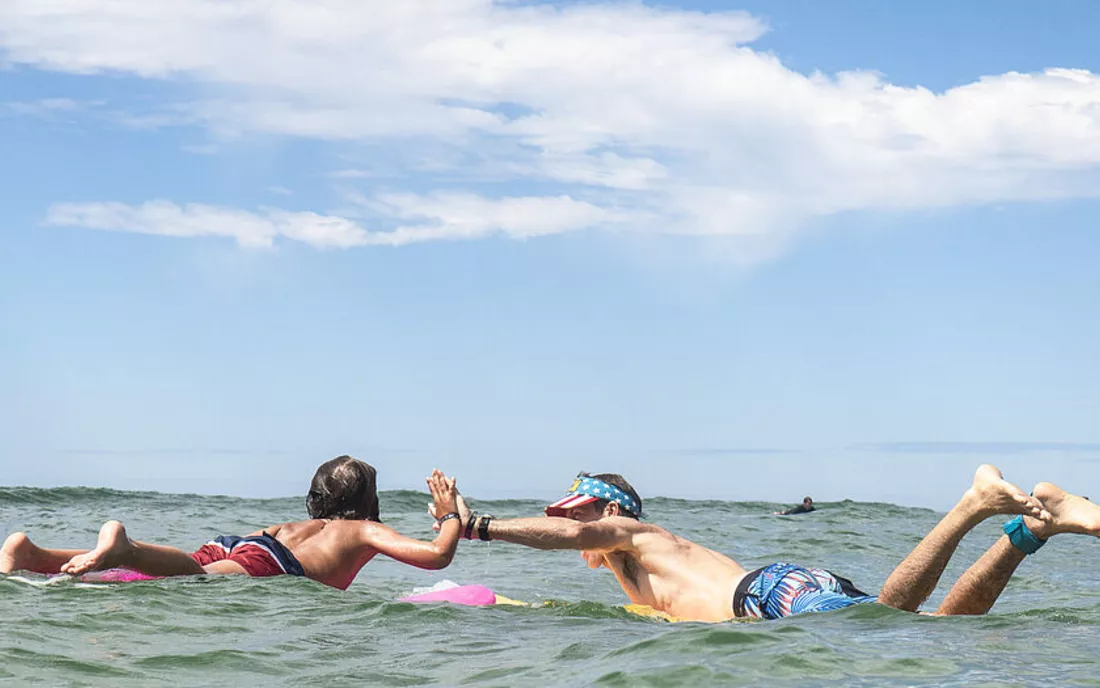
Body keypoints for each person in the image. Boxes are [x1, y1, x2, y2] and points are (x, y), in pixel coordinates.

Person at [435, 466, 1099, 622]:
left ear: (609, 513)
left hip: (766, 597)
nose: (580, 533)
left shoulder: (635, 534)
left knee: (896, 623)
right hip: (779, 589)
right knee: (934, 628)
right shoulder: (638, 570)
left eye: (585, 519)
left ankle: (973, 504)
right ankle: (1033, 529)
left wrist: (476, 525)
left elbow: (575, 533)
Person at [0, 456, 464, 590]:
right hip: (274, 565)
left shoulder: (295, 525)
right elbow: (436, 556)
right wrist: (451, 515)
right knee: (193, 575)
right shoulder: (360, 530)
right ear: (367, 501)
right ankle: (123, 544)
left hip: (248, 543)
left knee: (178, 569)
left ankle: (33, 557)